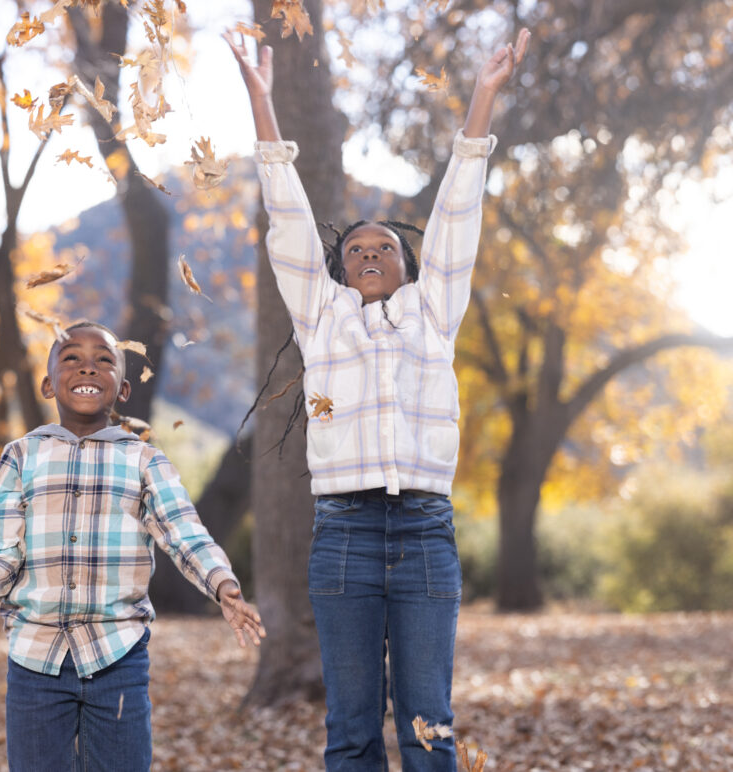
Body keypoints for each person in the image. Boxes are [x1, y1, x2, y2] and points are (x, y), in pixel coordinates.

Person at [225, 25, 530, 772]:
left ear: (409, 265)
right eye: (355, 249)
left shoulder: (435, 310)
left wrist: (483, 98)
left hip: (425, 532)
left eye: (384, 247)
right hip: (344, 536)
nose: (368, 253)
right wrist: (261, 102)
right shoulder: (321, 317)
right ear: (336, 269)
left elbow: (461, 211)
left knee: (429, 722)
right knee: (352, 725)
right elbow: (286, 214)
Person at [0, 320, 265, 772]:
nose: (88, 369)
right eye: (72, 359)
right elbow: (2, 551)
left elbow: (184, 532)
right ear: (49, 384)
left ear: (122, 389)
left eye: (103, 361)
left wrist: (223, 585)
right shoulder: (22, 456)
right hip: (34, 660)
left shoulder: (144, 460)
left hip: (118, 656)